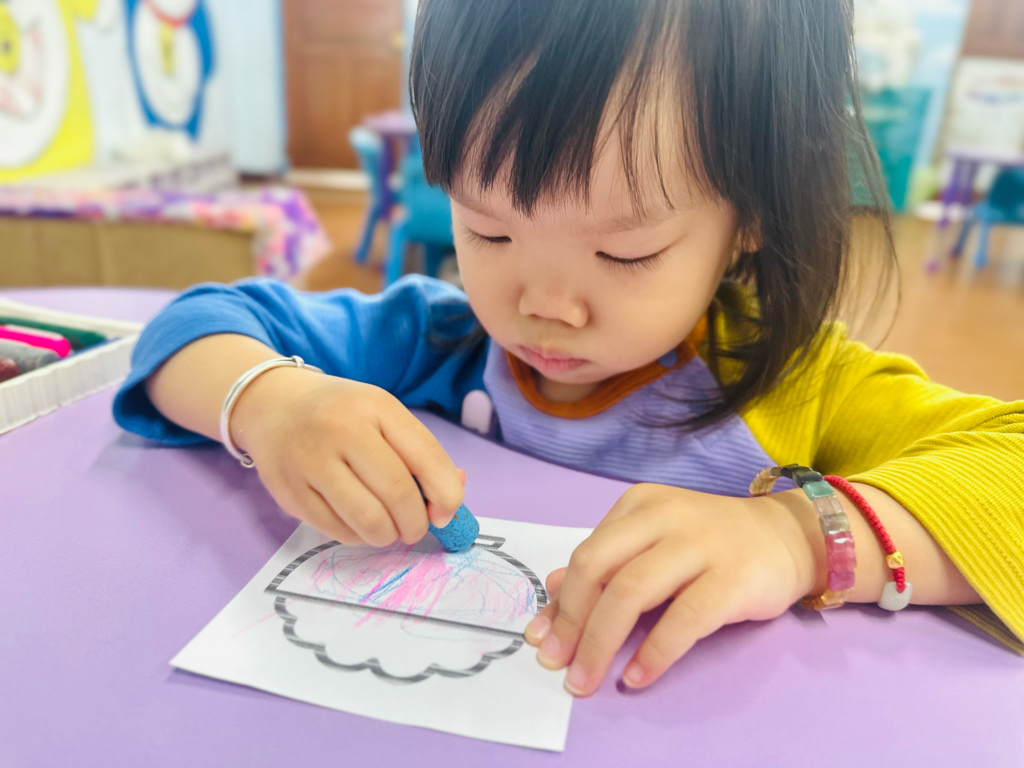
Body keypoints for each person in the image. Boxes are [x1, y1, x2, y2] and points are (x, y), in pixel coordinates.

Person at [113, 0, 1024, 697]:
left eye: (626, 253)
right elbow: (190, 326)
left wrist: (796, 538)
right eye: (488, 230)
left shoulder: (798, 385)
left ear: (752, 215)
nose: (543, 307)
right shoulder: (443, 337)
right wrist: (274, 405)